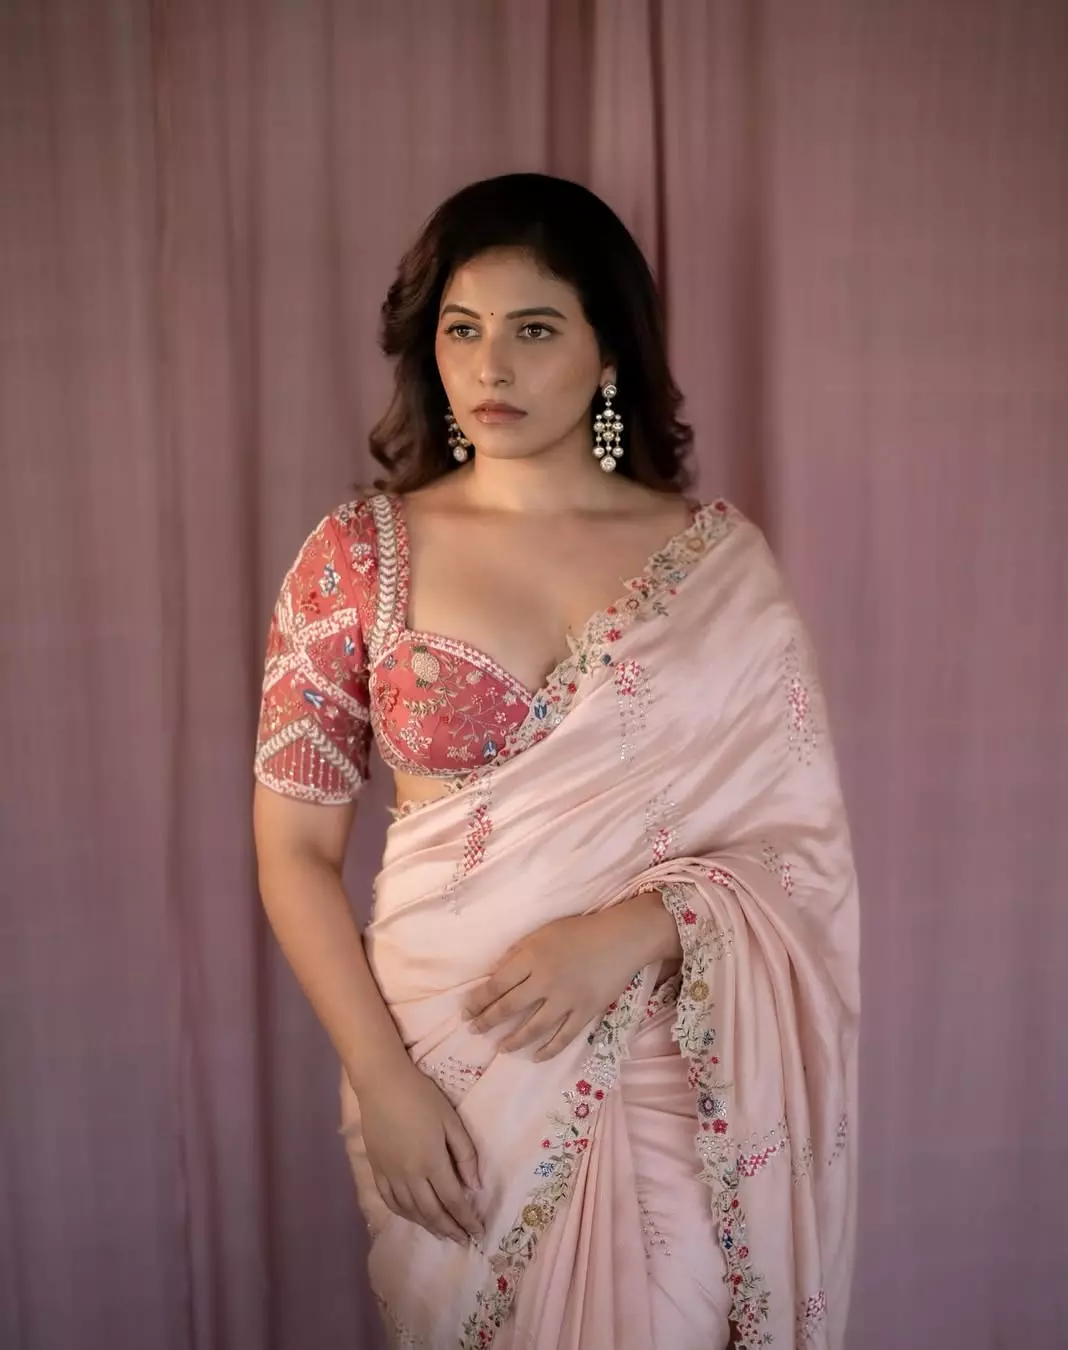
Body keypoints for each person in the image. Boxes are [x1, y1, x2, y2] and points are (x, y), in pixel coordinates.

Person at [253, 173, 859, 1350]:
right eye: (462, 330)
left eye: (534, 330)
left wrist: (630, 934)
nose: (491, 367)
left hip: (667, 1067)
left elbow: (801, 856)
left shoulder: (718, 569)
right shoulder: (355, 559)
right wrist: (382, 1079)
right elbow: (294, 852)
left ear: (608, 349)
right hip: (444, 1072)